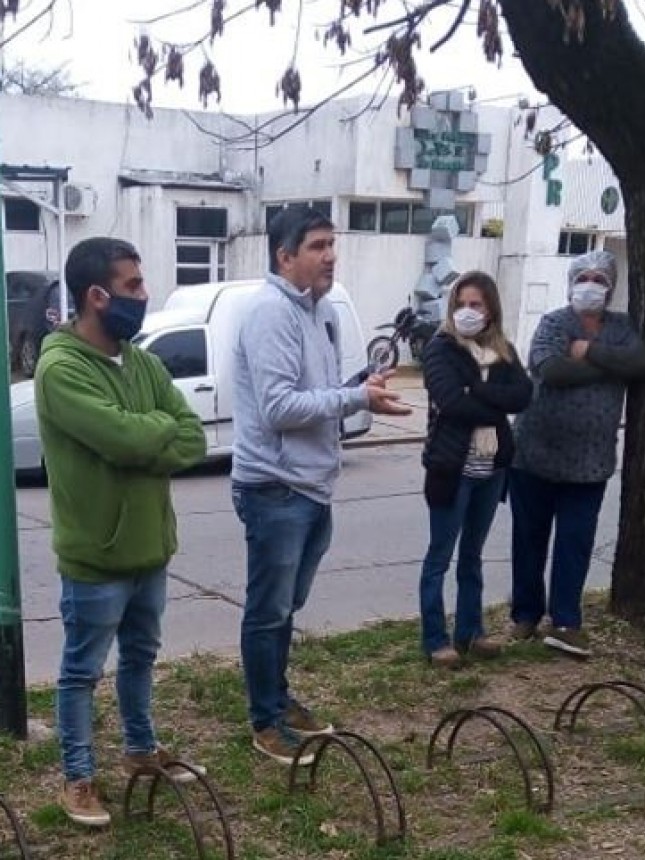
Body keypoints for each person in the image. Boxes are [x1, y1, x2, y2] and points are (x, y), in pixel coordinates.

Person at [34, 237, 207, 827]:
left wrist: (145, 436)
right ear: (96, 296)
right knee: (82, 671)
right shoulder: (59, 369)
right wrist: (148, 435)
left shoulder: (145, 362)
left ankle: (139, 749)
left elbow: (194, 438)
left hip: (150, 550)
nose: (145, 294)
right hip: (96, 558)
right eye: (133, 286)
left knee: (141, 656)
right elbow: (125, 440)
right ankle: (78, 778)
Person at [231, 207, 410, 765]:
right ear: (285, 256)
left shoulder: (322, 311)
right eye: (317, 246)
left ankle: (279, 700)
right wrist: (355, 399)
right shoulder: (268, 313)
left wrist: (359, 386)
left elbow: (321, 390)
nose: (331, 255)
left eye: (333, 244)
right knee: (267, 611)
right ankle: (264, 721)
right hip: (275, 488)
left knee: (285, 608)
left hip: (312, 486)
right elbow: (280, 407)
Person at [509, 250, 645, 657]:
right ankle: (525, 615)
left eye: (600, 279)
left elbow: (640, 364)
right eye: (584, 277)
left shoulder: (622, 327)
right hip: (535, 455)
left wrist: (587, 351)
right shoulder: (554, 322)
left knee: (575, 542)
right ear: (571, 282)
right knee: (529, 540)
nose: (591, 284)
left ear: (610, 286)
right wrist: (611, 365)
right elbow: (550, 369)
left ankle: (566, 620)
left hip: (590, 464)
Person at [418, 271, 533, 669]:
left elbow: (522, 395)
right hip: (452, 467)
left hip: (492, 469)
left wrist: (479, 392)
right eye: (461, 305)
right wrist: (493, 402)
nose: (467, 312)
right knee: (440, 557)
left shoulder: (503, 350)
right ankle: (436, 639)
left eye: (476, 305)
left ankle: (471, 631)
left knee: (473, 555)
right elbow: (451, 403)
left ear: (490, 310)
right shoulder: (440, 349)